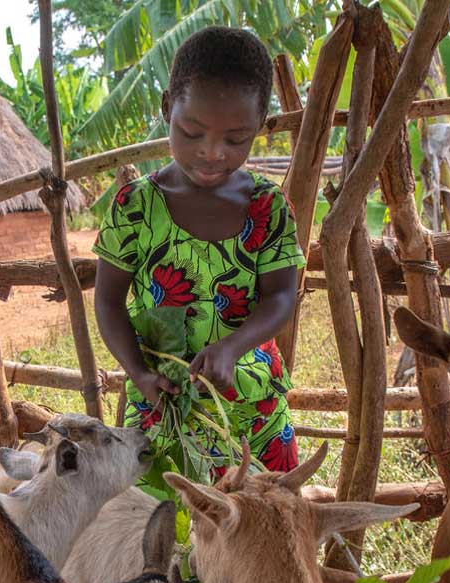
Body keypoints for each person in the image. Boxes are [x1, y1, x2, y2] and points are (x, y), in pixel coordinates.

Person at [93, 25, 303, 477]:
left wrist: (233, 347)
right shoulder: (135, 207)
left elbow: (282, 297)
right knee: (159, 536)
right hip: (161, 411)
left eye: (235, 140)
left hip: (253, 413)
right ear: (168, 107)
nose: (211, 153)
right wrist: (138, 373)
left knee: (264, 531)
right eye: (191, 132)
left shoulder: (268, 207)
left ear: (260, 128)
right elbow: (108, 301)